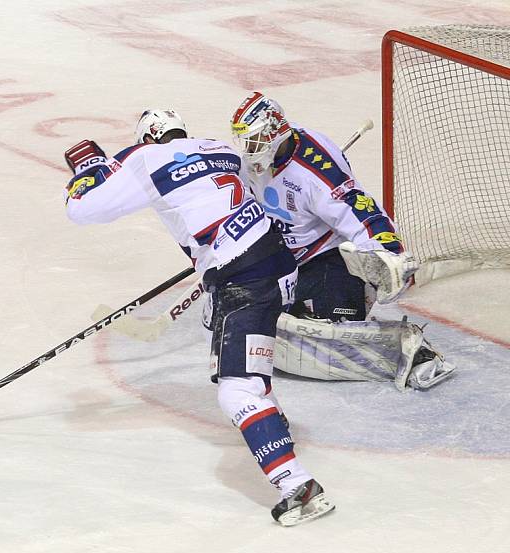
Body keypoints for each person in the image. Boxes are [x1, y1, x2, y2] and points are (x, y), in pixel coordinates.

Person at [62, 109, 334, 526]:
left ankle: (296, 484)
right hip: (278, 266)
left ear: (147, 138)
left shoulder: (145, 159)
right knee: (251, 373)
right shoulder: (221, 149)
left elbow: (84, 210)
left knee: (236, 391)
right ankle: (275, 433)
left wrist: (89, 169)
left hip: (244, 280)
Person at [229, 92, 455, 390]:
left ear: (274, 133)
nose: (249, 150)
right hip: (281, 254)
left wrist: (389, 255)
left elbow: (363, 212)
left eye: (255, 140)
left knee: (328, 326)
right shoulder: (261, 158)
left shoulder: (316, 173)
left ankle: (413, 348)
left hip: (326, 257)